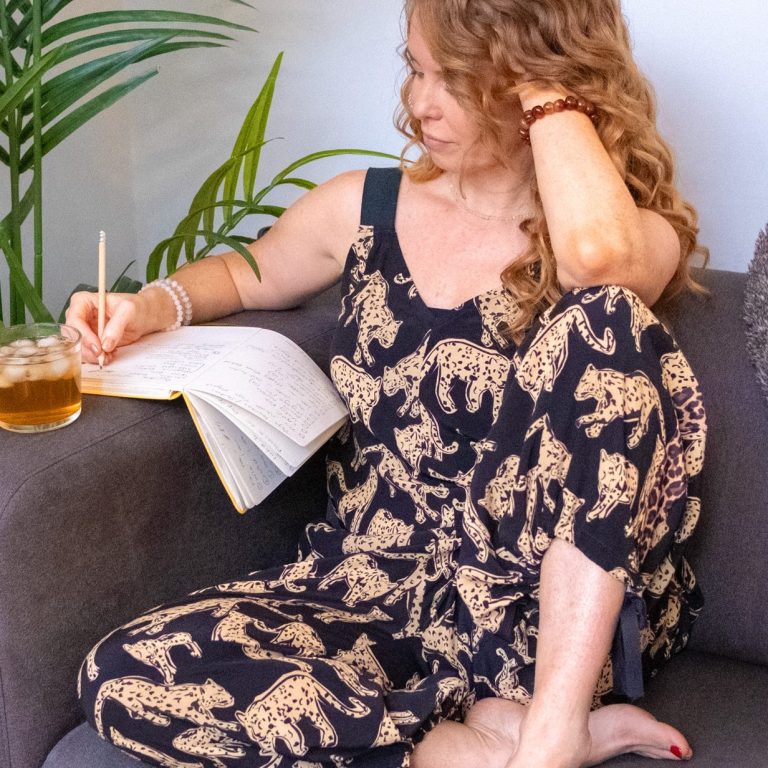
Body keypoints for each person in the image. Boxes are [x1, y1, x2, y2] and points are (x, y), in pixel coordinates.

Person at [67, 1, 707, 766]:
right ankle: (467, 746)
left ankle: (554, 723)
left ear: (536, 84)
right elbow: (246, 274)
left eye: (455, 79)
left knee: (606, 317)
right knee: (120, 674)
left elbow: (599, 262)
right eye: (416, 69)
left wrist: (539, 66)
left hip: (540, 618)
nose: (419, 103)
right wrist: (149, 306)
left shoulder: (637, 237)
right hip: (367, 581)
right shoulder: (365, 206)